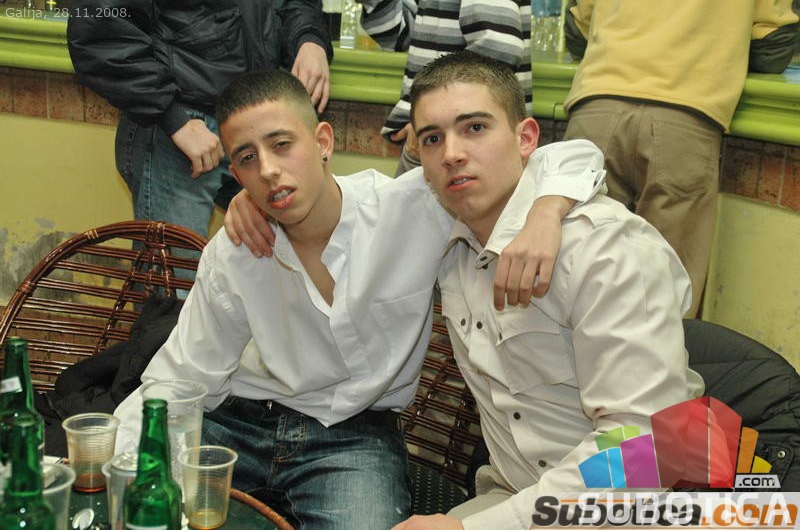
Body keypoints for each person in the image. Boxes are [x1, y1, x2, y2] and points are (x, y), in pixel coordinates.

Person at [113, 68, 605, 528]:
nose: (268, 170)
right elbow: (181, 377)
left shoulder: (416, 207)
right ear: (236, 175)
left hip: (354, 438)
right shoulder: (237, 248)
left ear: (322, 141)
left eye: (282, 145)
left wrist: (546, 210)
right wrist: (112, 456)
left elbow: (565, 156)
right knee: (136, 508)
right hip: (237, 423)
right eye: (247, 159)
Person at [392, 51, 705, 530]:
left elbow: (647, 450)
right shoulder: (447, 238)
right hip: (513, 493)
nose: (452, 153)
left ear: (526, 139)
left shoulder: (603, 249)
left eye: (475, 128)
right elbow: (337, 203)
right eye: (433, 138)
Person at [561, 0, 800, 317]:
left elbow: (578, 30)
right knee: (665, 296)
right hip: (686, 114)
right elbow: (772, 48)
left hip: (597, 105)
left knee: (572, 276)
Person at [67, 0, 333, 240]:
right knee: (177, 271)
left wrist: (309, 39)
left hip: (247, 123)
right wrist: (174, 118)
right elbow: (96, 26)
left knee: (275, 258)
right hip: (179, 131)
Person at [354, 0, 532, 175]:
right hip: (443, 134)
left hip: (452, 136)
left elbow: (498, 47)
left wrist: (432, 123)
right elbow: (399, 34)